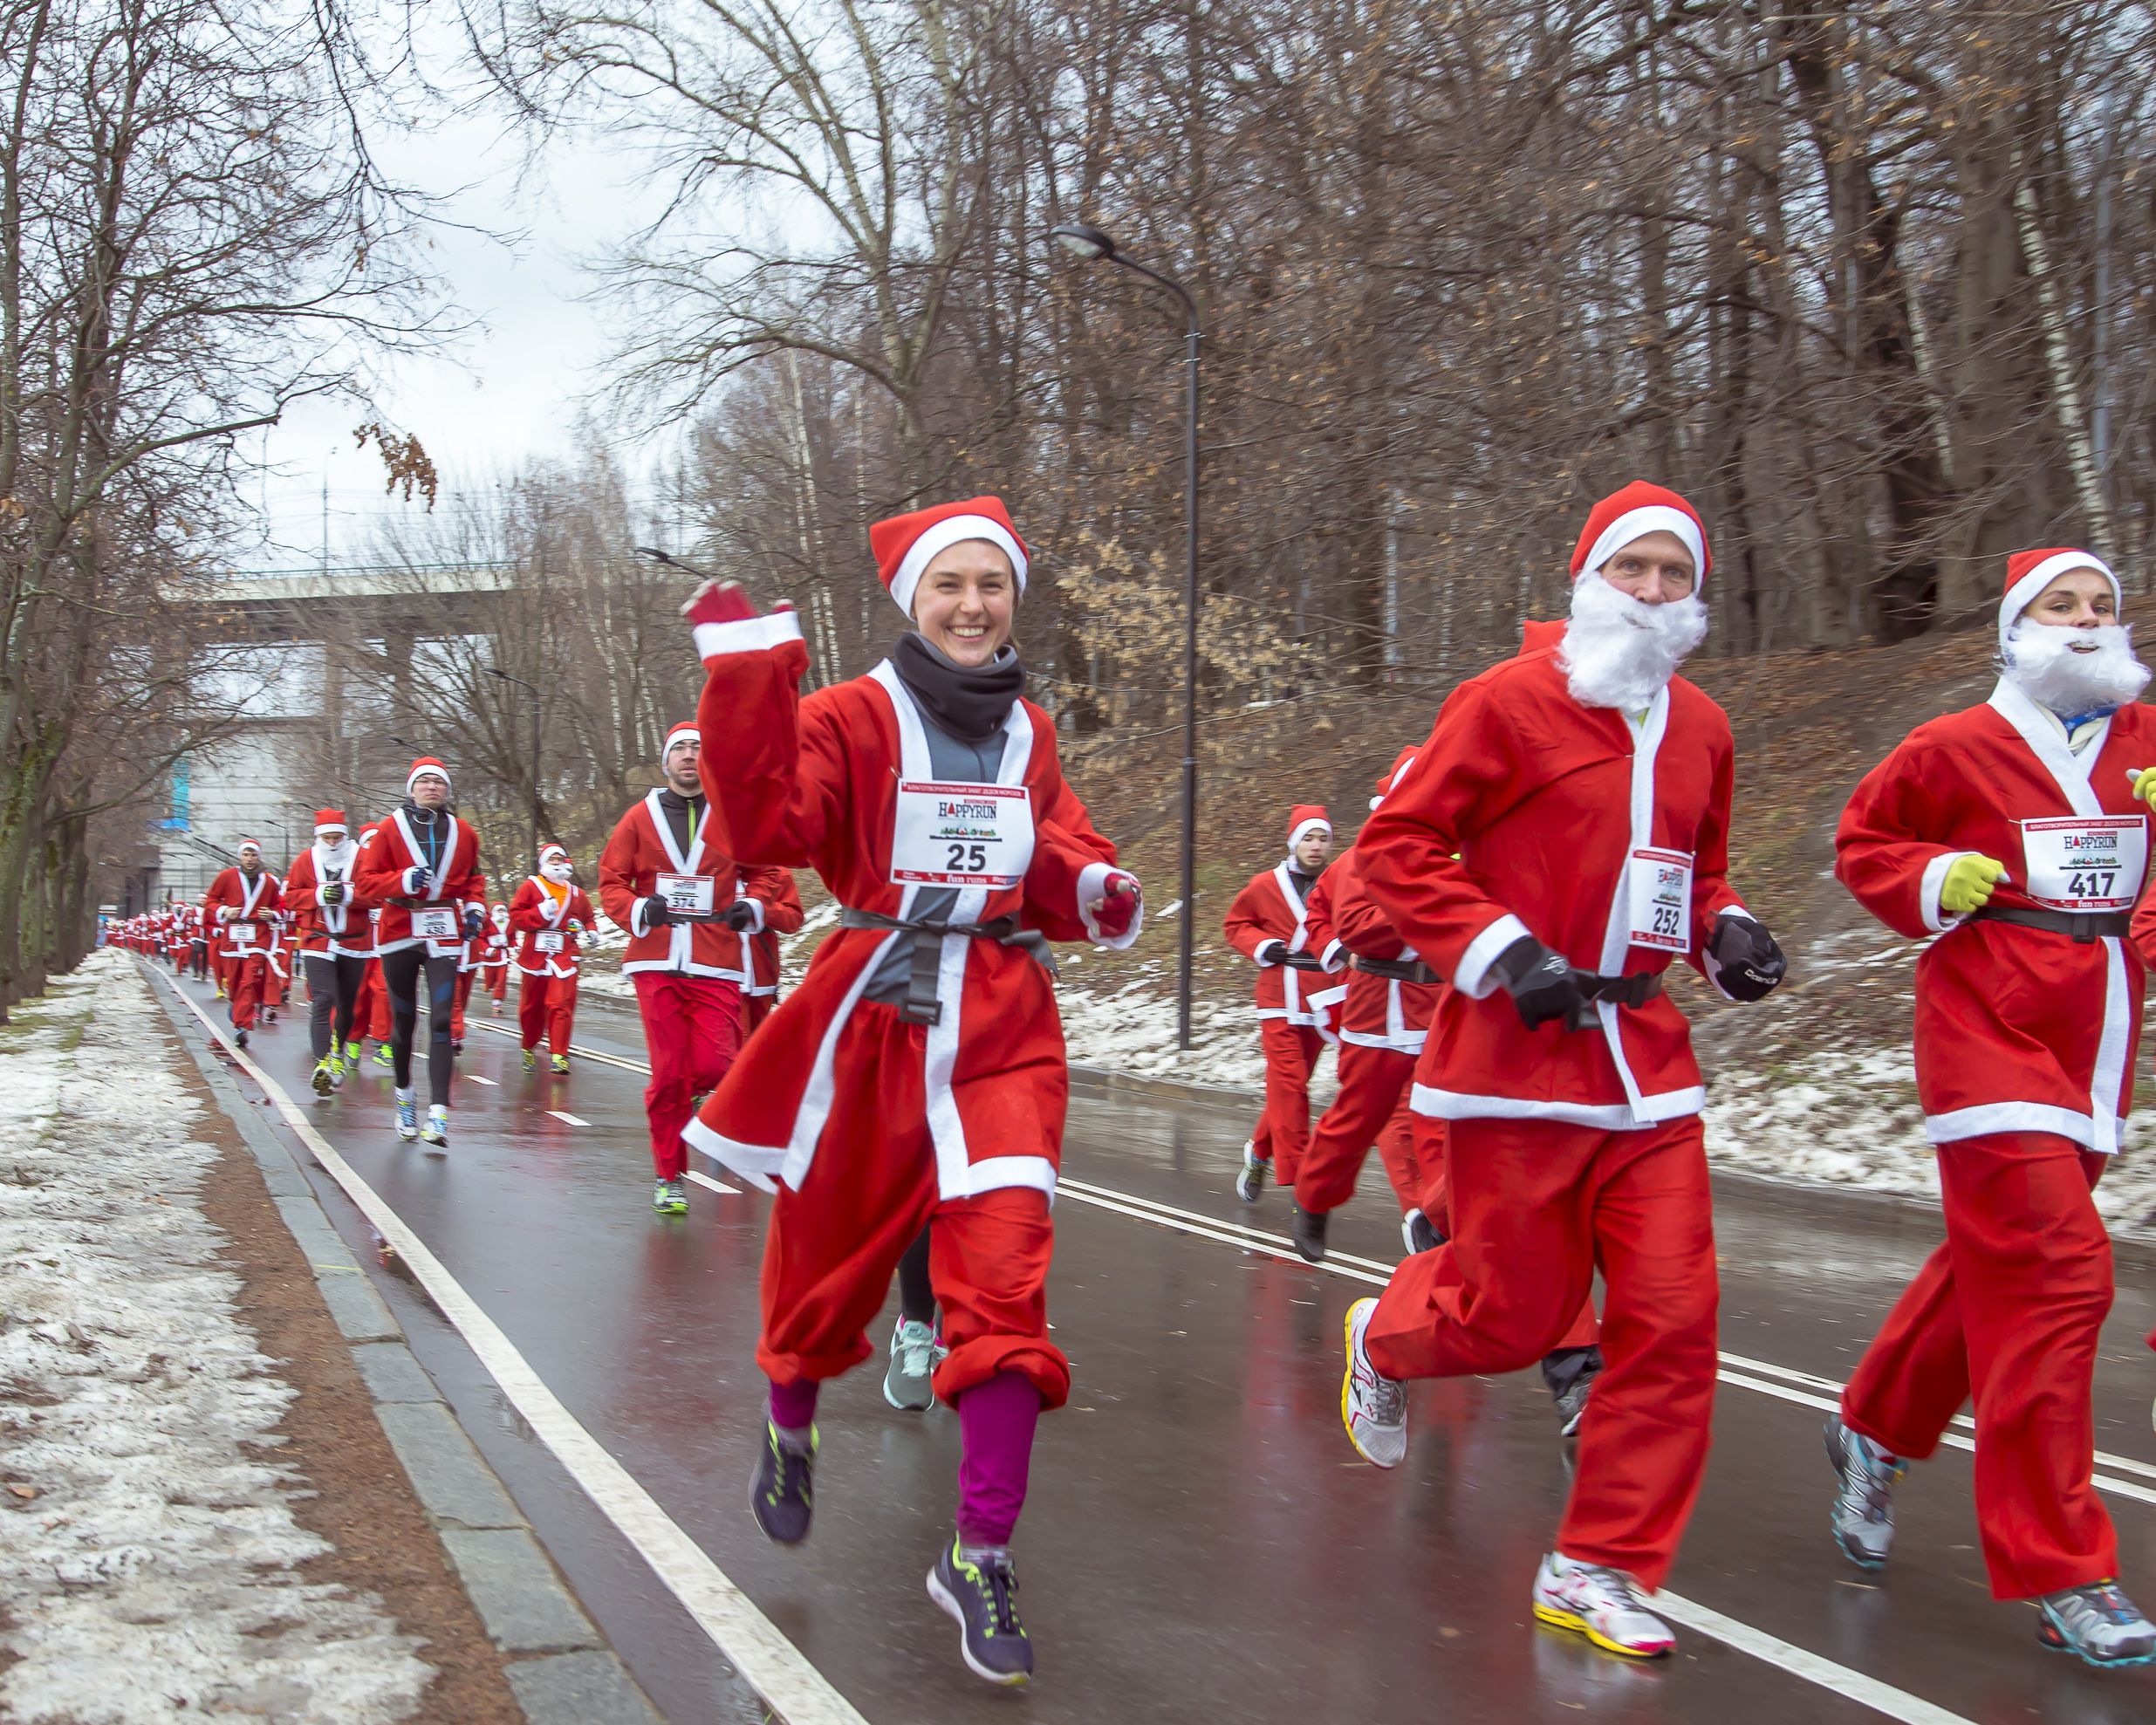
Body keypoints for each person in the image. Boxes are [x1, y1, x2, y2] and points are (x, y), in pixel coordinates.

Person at [679, 496, 1141, 1686]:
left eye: (990, 584)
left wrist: (1093, 887)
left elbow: (1054, 850)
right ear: (913, 601)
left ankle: (979, 1549)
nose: (972, 604)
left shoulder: (1030, 731)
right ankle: (790, 1423)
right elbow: (765, 823)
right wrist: (742, 683)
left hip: (1000, 1026)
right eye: (950, 585)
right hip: (870, 1021)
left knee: (1004, 1284)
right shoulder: (848, 715)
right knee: (820, 1268)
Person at [1340, 482, 1787, 1660]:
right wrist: (1498, 949)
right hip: (1514, 1061)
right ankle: (1382, 1334)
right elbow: (1394, 849)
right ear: (1586, 575)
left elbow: (1693, 867)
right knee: (1511, 1318)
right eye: (1629, 568)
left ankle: (1596, 1563)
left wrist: (1723, 928)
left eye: (1671, 575)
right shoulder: (1503, 701)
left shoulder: (1701, 725)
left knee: (1675, 1317)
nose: (1649, 592)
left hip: (1645, 1064)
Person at [1830, 546, 2156, 1667]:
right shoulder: (1951, 744)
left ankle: (1871, 1428)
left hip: (2094, 1038)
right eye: (2058, 606)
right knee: (2061, 1274)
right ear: (2014, 627)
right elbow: (1863, 842)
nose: (2083, 622)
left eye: (2100, 606)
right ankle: (2064, 1569)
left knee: (1996, 1267)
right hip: (1984, 1031)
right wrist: (1929, 881)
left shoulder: (2144, 743)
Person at [599, 721, 803, 1215]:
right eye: (681, 749)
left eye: (698, 748)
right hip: (658, 959)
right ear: (666, 761)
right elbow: (611, 881)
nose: (690, 756)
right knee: (670, 1073)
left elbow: (766, 869)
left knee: (718, 1066)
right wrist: (637, 910)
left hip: (717, 959)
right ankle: (669, 1175)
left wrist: (753, 905)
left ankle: (675, 1102)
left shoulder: (732, 814)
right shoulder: (638, 818)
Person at [355, 758, 488, 1146]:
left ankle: (439, 1115)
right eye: (424, 782)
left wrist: (476, 907)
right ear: (411, 789)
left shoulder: (464, 832)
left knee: (443, 1019)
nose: (432, 787)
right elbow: (365, 883)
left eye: (438, 782)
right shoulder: (389, 828)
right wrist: (402, 879)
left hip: (443, 931)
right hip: (400, 928)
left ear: (446, 790)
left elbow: (473, 879)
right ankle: (404, 1098)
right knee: (404, 1021)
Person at [1222, 807, 1341, 1202]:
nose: (1316, 846)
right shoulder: (1266, 885)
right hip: (1278, 993)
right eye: (1308, 838)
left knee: (1292, 1086)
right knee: (1288, 1083)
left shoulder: (1340, 881)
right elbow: (1236, 924)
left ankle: (1258, 1152)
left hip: (1323, 995)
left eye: (1322, 838)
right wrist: (1261, 946)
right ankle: (1302, 1176)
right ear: (1294, 842)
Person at [282, 810, 375, 1095]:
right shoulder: (305, 860)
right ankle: (321, 1062)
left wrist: (349, 896)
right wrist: (318, 896)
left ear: (345, 835)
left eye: (337, 837)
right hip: (317, 940)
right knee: (323, 999)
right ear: (318, 836)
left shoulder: (362, 858)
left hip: (354, 941)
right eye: (327, 837)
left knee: (347, 1006)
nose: (333, 843)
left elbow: (378, 894)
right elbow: (290, 896)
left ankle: (337, 1054)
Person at [509, 843, 595, 1074]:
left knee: (561, 1004)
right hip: (535, 955)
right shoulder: (530, 887)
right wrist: (540, 913)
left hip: (564, 955)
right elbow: (516, 918)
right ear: (544, 863)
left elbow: (587, 916)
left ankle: (559, 1054)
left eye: (561, 859)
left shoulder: (576, 893)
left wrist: (590, 930)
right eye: (553, 859)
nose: (557, 863)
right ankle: (528, 1046)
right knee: (531, 1008)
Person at [202, 840, 285, 1048]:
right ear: (240, 856)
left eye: (254, 855)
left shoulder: (269, 881)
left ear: (259, 857)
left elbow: (280, 905)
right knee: (235, 981)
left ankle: (242, 1026)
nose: (250, 859)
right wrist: (224, 911)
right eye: (246, 855)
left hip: (258, 935)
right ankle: (235, 1004)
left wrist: (273, 913)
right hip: (233, 935)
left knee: (249, 981)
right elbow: (212, 900)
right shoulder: (226, 876)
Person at [479, 903, 511, 1012]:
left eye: (503, 911)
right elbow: (480, 938)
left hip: (503, 956)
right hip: (490, 957)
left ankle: (497, 1002)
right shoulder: (488, 922)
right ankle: (488, 985)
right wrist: (487, 949)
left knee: (502, 980)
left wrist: (515, 947)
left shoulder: (509, 923)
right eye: (499, 911)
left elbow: (513, 938)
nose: (501, 913)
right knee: (490, 980)